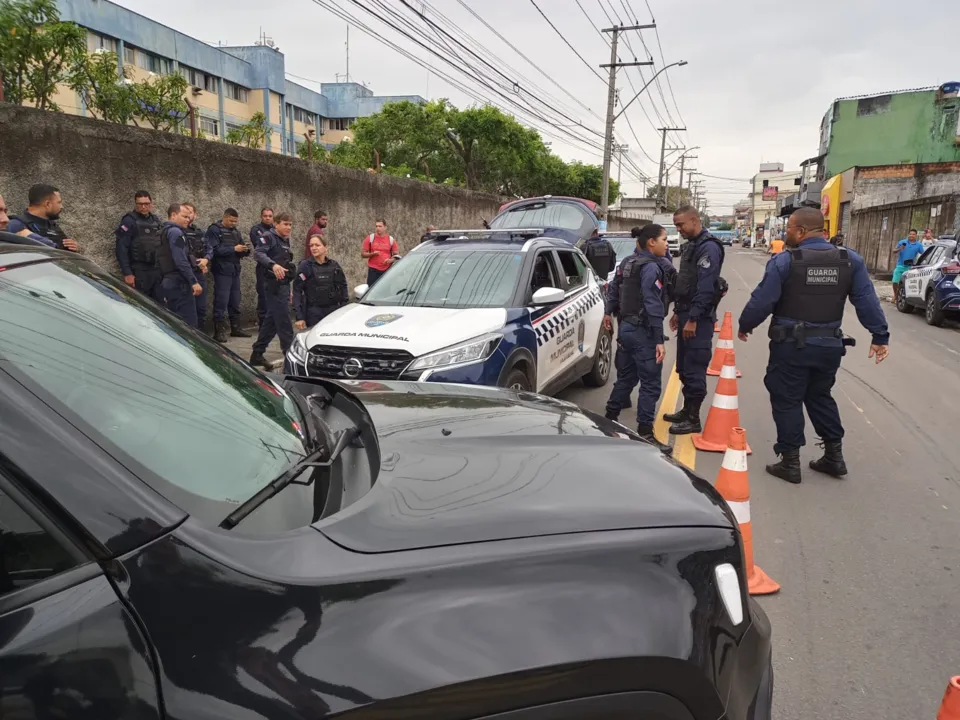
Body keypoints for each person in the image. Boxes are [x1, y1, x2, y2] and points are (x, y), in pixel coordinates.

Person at [738, 208, 889, 484]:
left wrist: (746, 324)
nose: (787, 233)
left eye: (790, 229)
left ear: (801, 231)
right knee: (820, 396)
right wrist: (880, 336)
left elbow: (763, 300)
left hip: (791, 346)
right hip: (829, 346)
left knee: (787, 399)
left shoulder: (785, 261)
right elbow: (866, 300)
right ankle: (834, 456)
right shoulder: (849, 261)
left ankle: (790, 462)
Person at [602, 224, 673, 449]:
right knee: (650, 383)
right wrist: (659, 339)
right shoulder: (651, 268)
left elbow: (614, 289)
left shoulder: (628, 262)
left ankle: (608, 419)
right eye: (664, 240)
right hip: (643, 332)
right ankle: (645, 433)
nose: (667, 244)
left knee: (627, 377)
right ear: (651, 242)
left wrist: (607, 313)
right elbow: (652, 303)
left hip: (626, 329)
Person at [662, 206, 725, 436]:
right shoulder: (691, 246)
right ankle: (687, 411)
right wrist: (679, 312)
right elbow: (687, 282)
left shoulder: (709, 247)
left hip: (699, 319)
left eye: (681, 225)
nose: (678, 230)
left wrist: (694, 318)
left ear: (695, 220)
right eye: (676, 225)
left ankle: (693, 418)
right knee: (685, 367)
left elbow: (706, 287)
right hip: (687, 313)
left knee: (695, 367)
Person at [251, 212, 296, 368]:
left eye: (290, 224)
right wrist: (272, 265)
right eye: (285, 224)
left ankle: (257, 353)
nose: (288, 227)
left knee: (271, 322)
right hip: (272, 285)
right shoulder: (268, 237)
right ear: (276, 224)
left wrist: (288, 288)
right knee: (284, 323)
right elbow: (258, 253)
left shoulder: (285, 240)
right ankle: (291, 358)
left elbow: (286, 264)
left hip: (282, 285)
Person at [206, 208, 251, 343]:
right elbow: (213, 250)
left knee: (235, 299)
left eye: (235, 221)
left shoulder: (235, 232)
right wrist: (233, 249)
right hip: (221, 270)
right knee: (221, 300)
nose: (233, 223)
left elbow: (240, 249)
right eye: (231, 221)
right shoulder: (214, 230)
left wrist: (245, 250)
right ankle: (219, 331)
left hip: (234, 269)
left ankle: (235, 327)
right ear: (224, 217)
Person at [157, 204, 203, 327]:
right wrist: (193, 281)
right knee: (188, 325)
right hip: (178, 282)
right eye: (184, 216)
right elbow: (180, 259)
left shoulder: (165, 231)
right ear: (173, 215)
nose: (188, 220)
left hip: (170, 281)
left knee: (174, 323)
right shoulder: (175, 232)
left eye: (189, 217)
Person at [293, 234, 349, 330]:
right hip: (314, 312)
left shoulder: (334, 265)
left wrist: (342, 310)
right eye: (311, 245)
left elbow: (343, 286)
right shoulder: (305, 266)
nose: (313, 248)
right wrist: (299, 317)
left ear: (325, 247)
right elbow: (297, 291)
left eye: (317, 245)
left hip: (333, 311)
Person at [116, 191, 164, 301]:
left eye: (146, 204)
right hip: (139, 271)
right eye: (140, 204)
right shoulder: (129, 221)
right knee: (142, 303)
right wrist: (127, 273)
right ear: (135, 204)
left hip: (156, 271)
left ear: (151, 203)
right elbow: (121, 248)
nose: (143, 207)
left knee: (160, 306)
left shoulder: (156, 221)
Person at [7, 184, 81, 252]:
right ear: (47, 204)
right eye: (59, 202)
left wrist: (74, 248)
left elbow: (64, 252)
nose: (62, 207)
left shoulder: (52, 225)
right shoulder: (16, 224)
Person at [182, 202, 219, 334]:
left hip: (199, 273)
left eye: (190, 212)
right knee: (186, 310)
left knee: (201, 309)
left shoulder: (199, 232)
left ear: (195, 215)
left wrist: (206, 259)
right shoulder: (177, 232)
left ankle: (201, 336)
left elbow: (209, 248)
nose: (188, 216)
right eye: (185, 213)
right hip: (184, 274)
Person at [250, 207, 275, 327]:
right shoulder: (256, 230)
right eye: (265, 216)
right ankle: (263, 323)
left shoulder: (275, 230)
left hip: (275, 267)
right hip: (263, 267)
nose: (268, 218)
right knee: (263, 295)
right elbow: (260, 246)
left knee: (274, 294)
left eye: (270, 216)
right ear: (261, 216)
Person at [890, 229, 924, 304]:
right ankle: (895, 295)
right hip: (900, 265)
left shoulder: (919, 245)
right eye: (910, 234)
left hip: (910, 267)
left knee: (907, 283)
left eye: (913, 234)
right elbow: (893, 251)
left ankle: (904, 297)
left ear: (916, 236)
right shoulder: (902, 242)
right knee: (895, 281)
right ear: (908, 235)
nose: (911, 236)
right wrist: (900, 248)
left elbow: (924, 254)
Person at [361, 218, 399, 286]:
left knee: (385, 291)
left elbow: (396, 255)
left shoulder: (391, 240)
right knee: (371, 291)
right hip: (373, 271)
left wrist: (391, 260)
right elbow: (363, 254)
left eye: (380, 226)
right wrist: (373, 254)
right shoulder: (370, 238)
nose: (378, 228)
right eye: (376, 226)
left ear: (385, 227)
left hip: (386, 271)